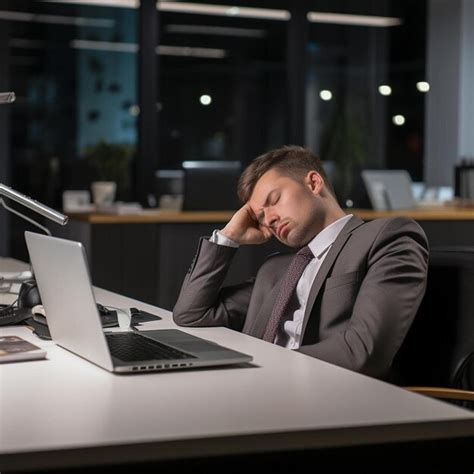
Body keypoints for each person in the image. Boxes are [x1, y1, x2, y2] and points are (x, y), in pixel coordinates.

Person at [173, 145, 429, 379]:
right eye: (260, 217)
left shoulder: (386, 237)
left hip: (327, 396)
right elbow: (191, 314)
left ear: (314, 183)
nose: (269, 219)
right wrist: (228, 238)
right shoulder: (275, 270)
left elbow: (363, 350)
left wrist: (264, 365)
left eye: (273, 201)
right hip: (255, 391)